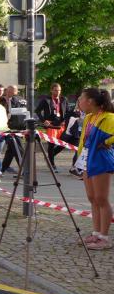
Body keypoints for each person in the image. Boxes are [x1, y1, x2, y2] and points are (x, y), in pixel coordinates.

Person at [75, 88, 114, 250]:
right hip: (87, 161)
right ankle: (96, 233)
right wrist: (79, 160)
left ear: (90, 101)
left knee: (101, 198)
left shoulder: (109, 117)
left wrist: (107, 142)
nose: (79, 101)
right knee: (92, 198)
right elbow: (83, 141)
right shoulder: (89, 117)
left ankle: (104, 238)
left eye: (81, 98)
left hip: (101, 161)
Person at [35, 83, 68, 173]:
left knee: (64, 143)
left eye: (59, 90)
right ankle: (52, 164)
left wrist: (66, 120)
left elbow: (67, 111)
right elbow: (37, 111)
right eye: (56, 90)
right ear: (51, 90)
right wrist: (43, 120)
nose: (58, 92)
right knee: (52, 145)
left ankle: (50, 157)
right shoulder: (46, 100)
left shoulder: (63, 99)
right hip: (51, 125)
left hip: (61, 125)